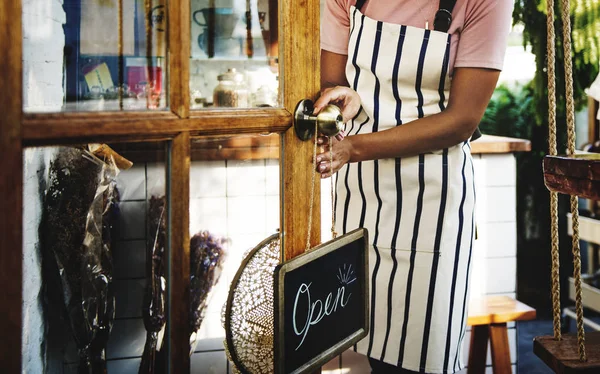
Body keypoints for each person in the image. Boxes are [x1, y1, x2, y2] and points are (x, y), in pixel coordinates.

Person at [313, 0, 513, 373]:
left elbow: (461, 120)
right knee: (374, 355)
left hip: (432, 205)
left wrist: (354, 147)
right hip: (362, 198)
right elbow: (335, 89)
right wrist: (347, 104)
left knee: (426, 359)